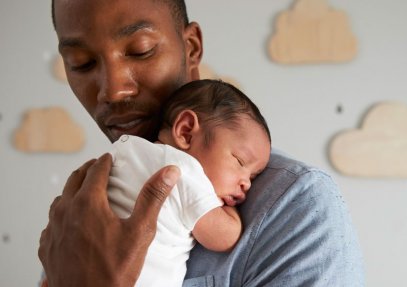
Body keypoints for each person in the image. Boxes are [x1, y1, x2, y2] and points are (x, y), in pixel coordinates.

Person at [38, 0, 365, 286]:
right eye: (81, 63)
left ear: (191, 47)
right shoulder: (83, 204)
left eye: (140, 50)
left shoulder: (295, 206)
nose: (112, 90)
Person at [105, 79, 271, 286]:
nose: (246, 183)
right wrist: (229, 212)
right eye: (240, 161)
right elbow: (225, 238)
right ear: (186, 131)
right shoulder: (184, 170)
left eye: (253, 177)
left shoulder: (124, 150)